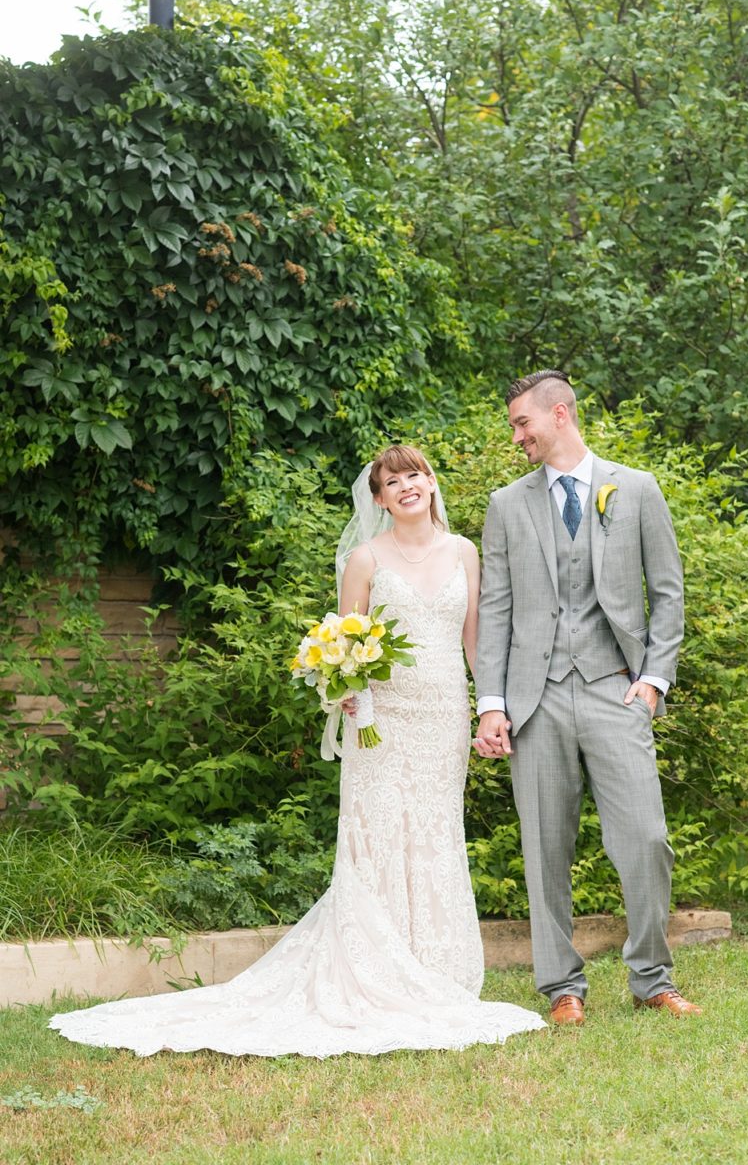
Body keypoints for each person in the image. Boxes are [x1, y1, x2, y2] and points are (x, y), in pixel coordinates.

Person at [50, 445, 545, 1057]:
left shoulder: (464, 552)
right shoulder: (364, 559)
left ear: (431, 483)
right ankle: (373, 970)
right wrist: (352, 696)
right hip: (381, 722)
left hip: (442, 716)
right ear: (380, 498)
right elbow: (346, 641)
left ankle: (435, 970)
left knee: (436, 831)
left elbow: (475, 641)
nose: (407, 487)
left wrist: (488, 708)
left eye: (415, 475)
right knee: (379, 833)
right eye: (393, 482)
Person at [473, 371, 701, 1027]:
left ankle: (650, 978)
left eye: (523, 423)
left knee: (646, 838)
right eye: (515, 426)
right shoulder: (506, 504)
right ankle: (560, 989)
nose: (517, 436)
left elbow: (667, 591)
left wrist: (653, 681)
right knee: (544, 847)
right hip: (534, 699)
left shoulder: (634, 489)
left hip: (613, 689)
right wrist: (491, 702)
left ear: (560, 414)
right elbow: (495, 610)